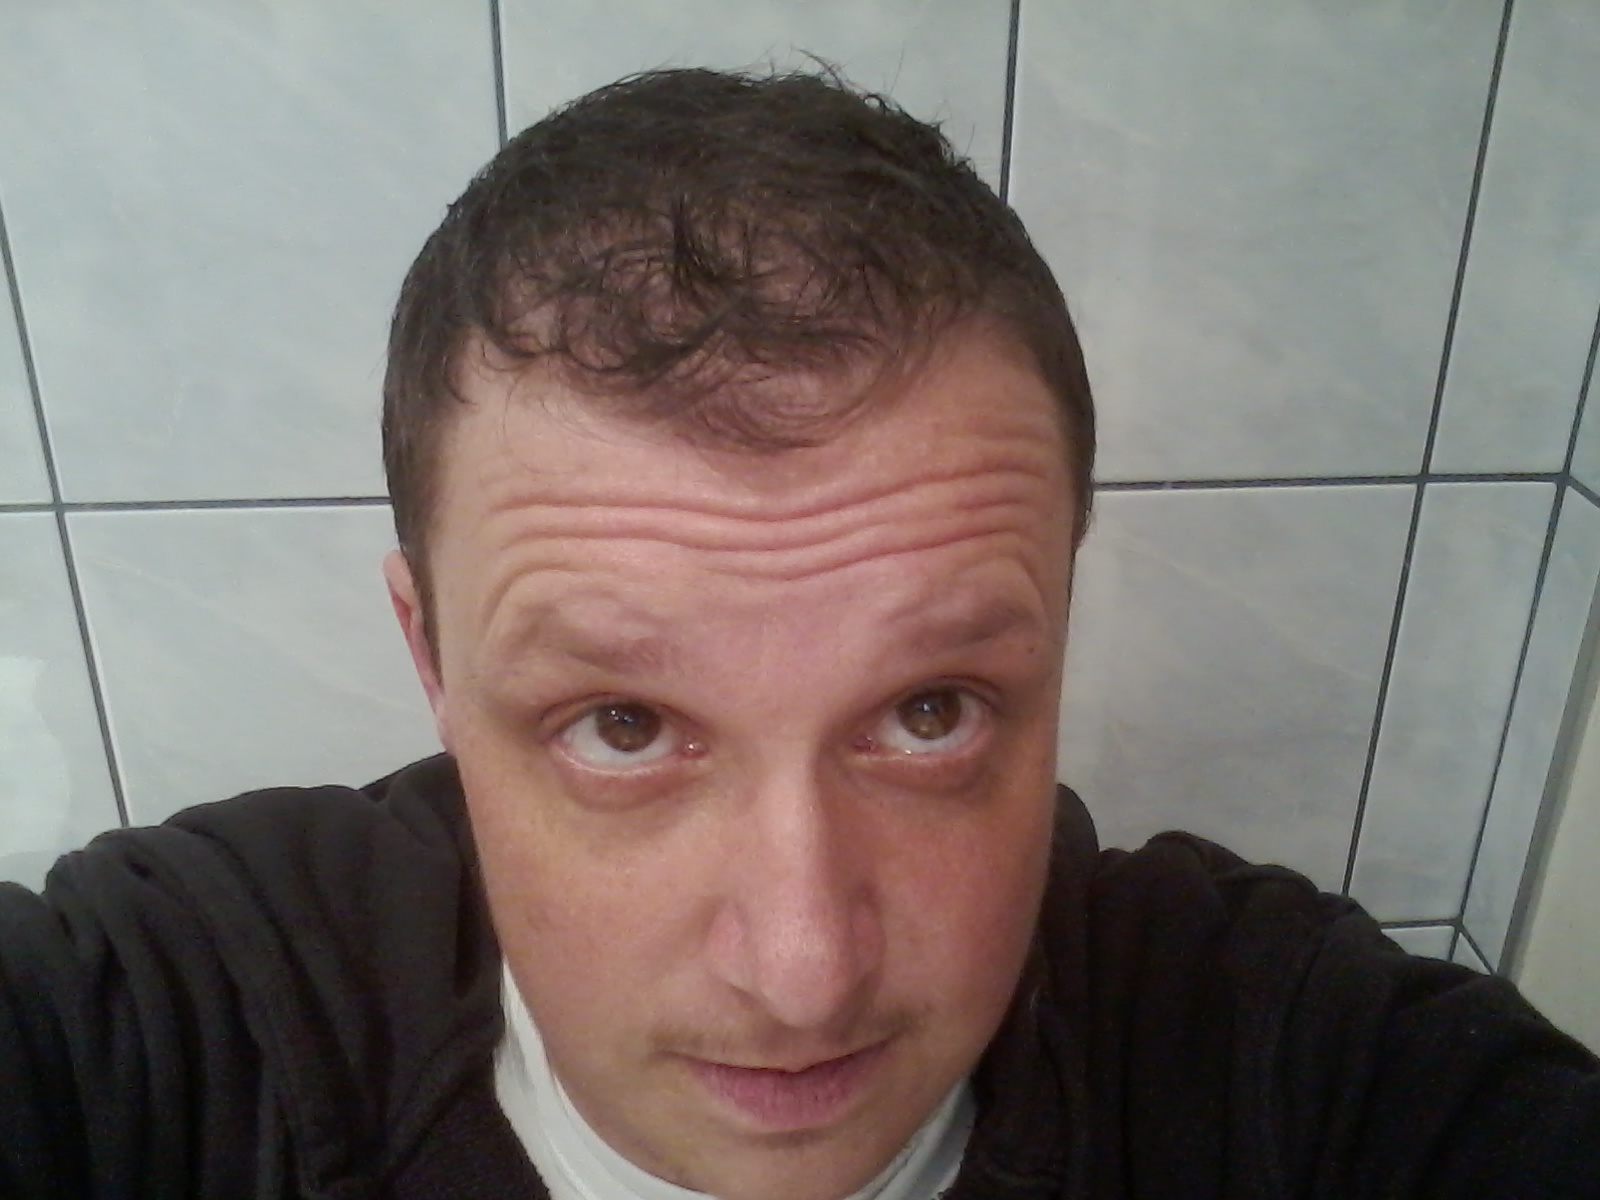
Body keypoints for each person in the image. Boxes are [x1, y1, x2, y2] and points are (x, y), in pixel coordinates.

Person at [2, 66, 1597, 1200]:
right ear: (430, 656)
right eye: (624, 725)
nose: (804, 971)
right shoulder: (180, 1028)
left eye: (932, 710)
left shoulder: (1284, 1065)